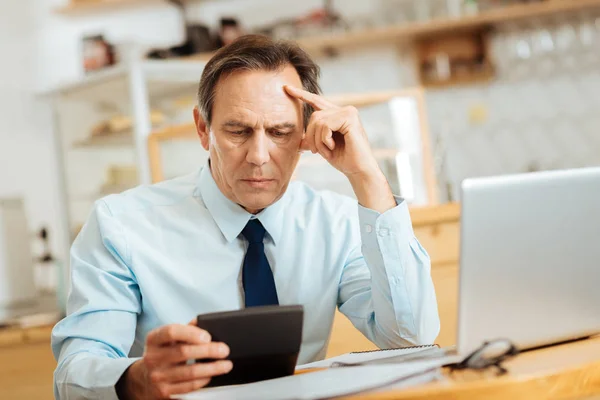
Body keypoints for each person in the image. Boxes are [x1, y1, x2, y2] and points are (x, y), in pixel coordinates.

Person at [51, 34, 440, 400]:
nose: (258, 156)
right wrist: (136, 380)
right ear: (204, 130)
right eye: (237, 131)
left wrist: (367, 175)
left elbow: (410, 339)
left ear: (306, 135)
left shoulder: (334, 223)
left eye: (280, 132)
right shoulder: (121, 224)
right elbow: (73, 374)